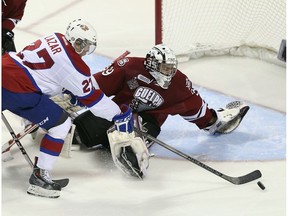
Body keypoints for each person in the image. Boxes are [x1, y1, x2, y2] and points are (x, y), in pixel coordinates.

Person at [2, 19, 149, 198]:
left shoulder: (54, 37)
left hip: (7, 69)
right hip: (17, 89)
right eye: (82, 44)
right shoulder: (74, 65)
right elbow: (95, 101)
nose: (85, 50)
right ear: (74, 40)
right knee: (60, 125)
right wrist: (119, 114)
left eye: (88, 46)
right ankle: (40, 177)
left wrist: (66, 89)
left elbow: (45, 72)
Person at [72, 44, 249, 152]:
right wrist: (73, 95)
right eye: (165, 68)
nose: (169, 72)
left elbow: (195, 107)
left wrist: (213, 121)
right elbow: (96, 84)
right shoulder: (129, 67)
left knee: (132, 142)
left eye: (171, 68)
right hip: (117, 112)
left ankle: (134, 156)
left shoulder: (179, 83)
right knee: (80, 132)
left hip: (147, 121)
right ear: (151, 63)